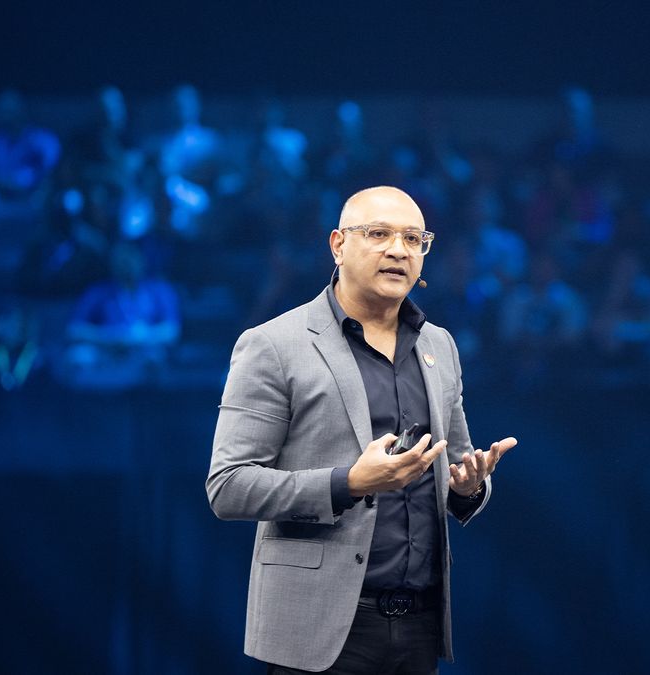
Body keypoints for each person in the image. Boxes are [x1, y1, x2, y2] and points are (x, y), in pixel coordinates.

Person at [206, 186, 517, 674]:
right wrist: (348, 483)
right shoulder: (273, 345)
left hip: (418, 627)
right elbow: (228, 487)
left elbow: (456, 463)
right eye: (379, 234)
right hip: (317, 629)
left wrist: (469, 486)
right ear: (337, 245)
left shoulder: (440, 346)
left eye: (414, 239)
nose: (399, 250)